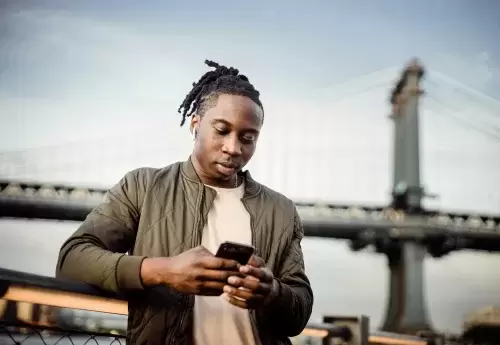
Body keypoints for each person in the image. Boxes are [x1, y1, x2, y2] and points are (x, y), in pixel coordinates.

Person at [56, 60, 313, 345]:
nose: (233, 147)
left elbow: (299, 313)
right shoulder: (143, 186)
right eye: (221, 130)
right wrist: (164, 271)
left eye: (247, 138)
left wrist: (272, 293)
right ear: (195, 124)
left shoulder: (282, 210)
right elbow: (72, 259)